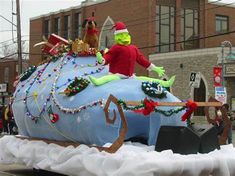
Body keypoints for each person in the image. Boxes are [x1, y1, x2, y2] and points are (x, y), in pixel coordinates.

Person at [88, 21, 175, 87]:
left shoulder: (133, 48)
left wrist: (155, 68)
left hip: (130, 76)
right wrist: (101, 60)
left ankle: (165, 83)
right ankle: (97, 81)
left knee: (145, 79)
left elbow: (141, 60)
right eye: (121, 35)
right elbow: (108, 57)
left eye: (125, 35)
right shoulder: (116, 47)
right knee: (108, 78)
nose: (124, 37)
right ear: (117, 37)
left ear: (128, 35)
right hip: (117, 75)